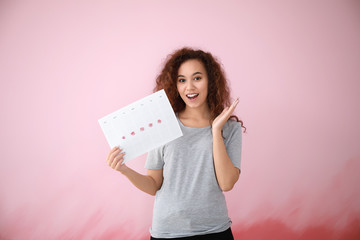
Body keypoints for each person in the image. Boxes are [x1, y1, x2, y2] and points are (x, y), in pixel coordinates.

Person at [106, 47, 245, 239]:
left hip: (215, 230)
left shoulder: (229, 128)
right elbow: (154, 184)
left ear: (211, 81)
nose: (190, 87)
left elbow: (227, 183)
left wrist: (215, 131)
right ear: (175, 85)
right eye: (182, 80)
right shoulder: (163, 125)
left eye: (197, 78)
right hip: (168, 232)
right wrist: (124, 170)